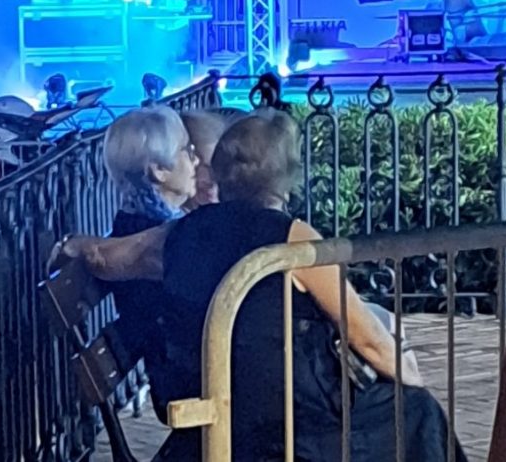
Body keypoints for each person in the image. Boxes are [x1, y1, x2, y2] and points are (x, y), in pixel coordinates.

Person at [62, 109, 463, 462]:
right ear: (283, 180)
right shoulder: (295, 238)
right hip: (293, 423)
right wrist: (412, 379)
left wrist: (72, 245)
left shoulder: (179, 233)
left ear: (222, 174)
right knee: (416, 412)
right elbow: (366, 337)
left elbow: (107, 257)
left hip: (216, 406)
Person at [95, 108, 208, 414]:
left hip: (179, 371)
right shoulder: (155, 238)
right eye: (187, 151)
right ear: (159, 170)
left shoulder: (138, 224)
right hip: (187, 382)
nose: (196, 161)